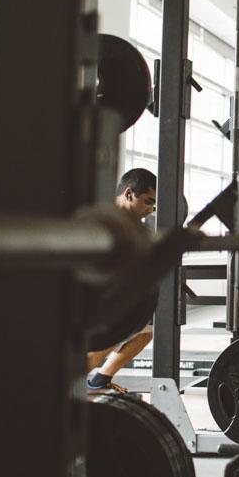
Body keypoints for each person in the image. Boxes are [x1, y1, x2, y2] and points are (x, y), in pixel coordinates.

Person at [86, 168, 158, 392]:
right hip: (83, 301)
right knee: (112, 332)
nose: (149, 210)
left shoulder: (134, 227)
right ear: (128, 194)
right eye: (147, 201)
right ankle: (63, 382)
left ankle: (100, 379)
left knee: (146, 330)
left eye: (153, 205)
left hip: (107, 297)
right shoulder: (101, 216)